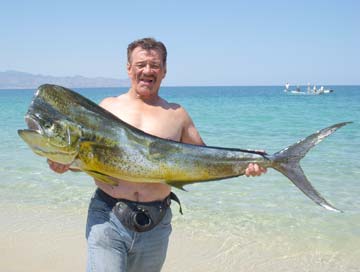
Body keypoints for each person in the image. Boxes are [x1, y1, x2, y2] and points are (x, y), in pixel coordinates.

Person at [47, 37, 267, 272]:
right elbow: (84, 155)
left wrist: (247, 161)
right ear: (129, 68)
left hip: (156, 223)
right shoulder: (108, 107)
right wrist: (62, 163)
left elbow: (204, 159)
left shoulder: (177, 114)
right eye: (140, 64)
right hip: (108, 216)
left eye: (155, 65)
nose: (147, 71)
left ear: (164, 71)